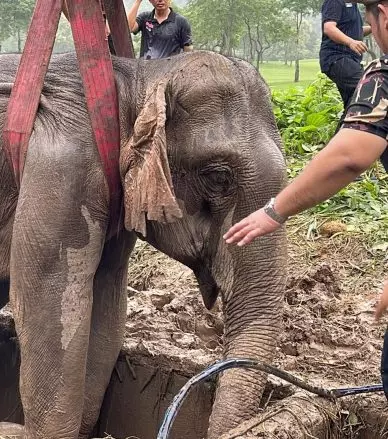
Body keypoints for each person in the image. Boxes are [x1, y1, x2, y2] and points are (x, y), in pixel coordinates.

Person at [223, 0, 388, 400]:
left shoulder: (382, 77)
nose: (371, 31)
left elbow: (350, 155)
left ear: (384, 13)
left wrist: (273, 210)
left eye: (370, 21)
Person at [320, 0, 373, 108]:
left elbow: (356, 31)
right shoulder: (335, 2)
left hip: (349, 59)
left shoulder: (353, 5)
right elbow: (329, 28)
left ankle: (348, 123)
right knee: (365, 90)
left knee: (352, 102)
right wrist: (350, 42)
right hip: (337, 57)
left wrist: (375, 27)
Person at [126, 0, 192, 60]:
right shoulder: (145, 17)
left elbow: (188, 50)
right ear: (150, 1)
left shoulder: (181, 22)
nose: (160, 0)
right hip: (145, 69)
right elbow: (129, 28)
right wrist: (138, 1)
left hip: (170, 70)